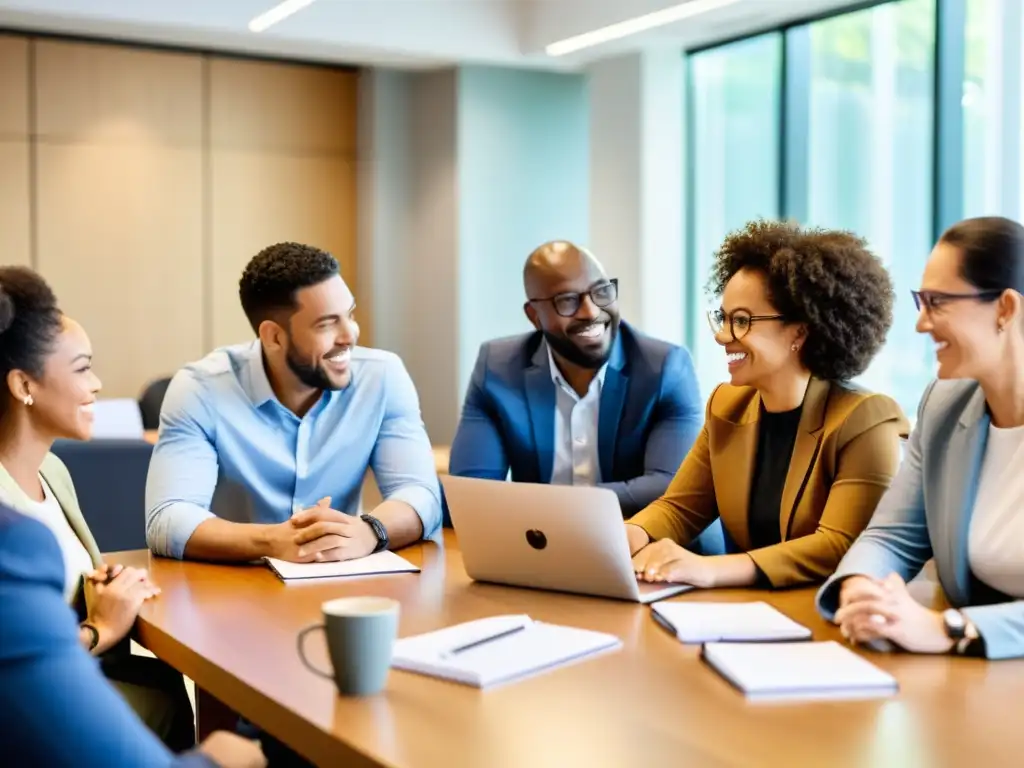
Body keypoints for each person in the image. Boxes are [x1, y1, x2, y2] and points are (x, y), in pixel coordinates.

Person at [627, 220, 909, 589]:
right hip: (749, 612)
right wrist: (625, 537)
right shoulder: (727, 405)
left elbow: (840, 544)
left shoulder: (867, 420)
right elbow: (680, 508)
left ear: (800, 332)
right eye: (723, 318)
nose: (721, 335)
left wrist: (713, 569)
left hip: (824, 614)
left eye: (741, 320)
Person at [146, 242, 442, 563]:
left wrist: (370, 531)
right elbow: (168, 519)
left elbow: (421, 493)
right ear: (274, 337)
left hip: (341, 583)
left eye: (350, 314)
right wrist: (272, 540)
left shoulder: (382, 377)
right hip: (232, 588)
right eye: (327, 323)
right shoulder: (200, 389)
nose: (350, 334)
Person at [0, 266, 195, 749]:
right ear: (24, 385)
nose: (99, 383)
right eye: (83, 368)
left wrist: (102, 585)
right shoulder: (6, 526)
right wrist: (98, 628)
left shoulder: (54, 473)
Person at [818, 216, 1024, 660]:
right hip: (979, 681)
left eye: (938, 303)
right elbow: (892, 536)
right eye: (921, 301)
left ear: (1006, 309)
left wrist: (950, 628)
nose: (921, 323)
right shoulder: (945, 404)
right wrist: (863, 592)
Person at [449, 241, 719, 549]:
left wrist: (551, 506)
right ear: (534, 315)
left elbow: (671, 487)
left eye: (602, 291)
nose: (591, 311)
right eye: (567, 300)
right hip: (545, 553)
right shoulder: (497, 368)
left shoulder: (665, 368)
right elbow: (472, 491)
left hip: (655, 551)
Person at [0, 503, 265, 767]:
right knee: (237, 749)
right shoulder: (14, 539)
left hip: (83, 667)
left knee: (160, 679)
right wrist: (98, 630)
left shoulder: (51, 475)